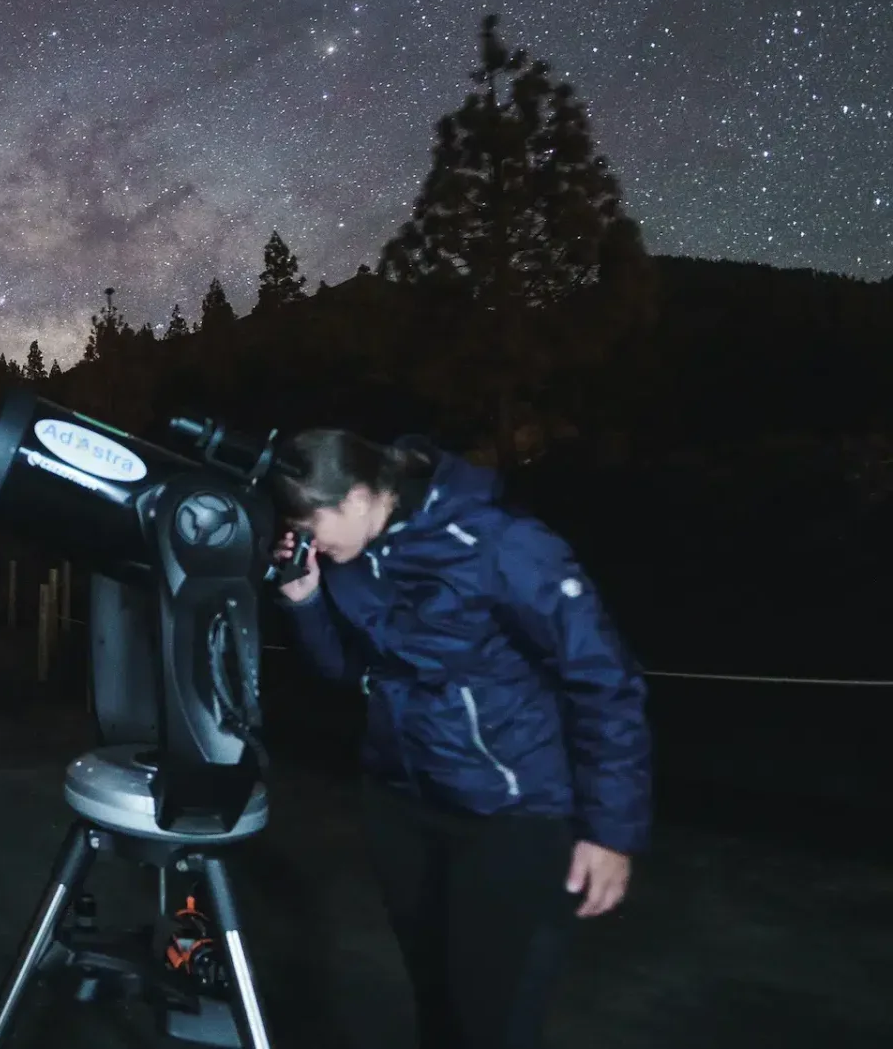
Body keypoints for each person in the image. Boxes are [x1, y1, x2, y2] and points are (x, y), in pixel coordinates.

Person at [267, 428, 652, 1049]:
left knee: (493, 1021)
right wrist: (304, 599)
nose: (308, 538)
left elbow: (604, 679)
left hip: (510, 816)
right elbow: (348, 671)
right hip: (402, 806)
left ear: (359, 496)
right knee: (439, 1006)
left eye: (311, 522)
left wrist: (611, 831)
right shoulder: (357, 554)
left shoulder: (504, 544)